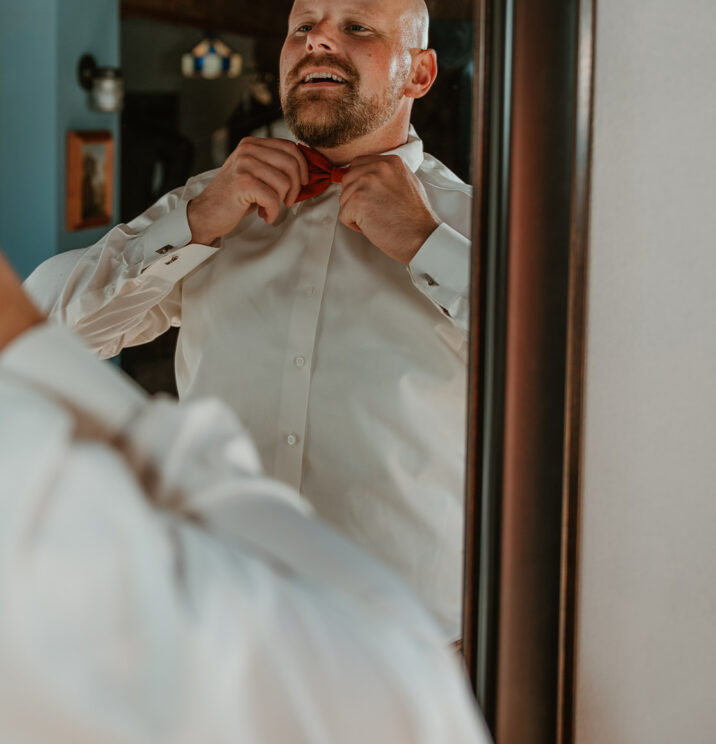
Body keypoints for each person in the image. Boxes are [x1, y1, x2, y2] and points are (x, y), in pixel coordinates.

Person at [26, 0, 472, 638]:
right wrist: (196, 220)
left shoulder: (483, 227)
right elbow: (52, 335)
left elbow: (570, 382)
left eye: (356, 26)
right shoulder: (213, 200)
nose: (319, 41)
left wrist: (425, 243)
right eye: (303, 27)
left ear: (419, 72)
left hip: (405, 637)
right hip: (219, 623)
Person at [0, 250, 489, 744]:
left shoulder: (482, 221)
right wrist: (187, 225)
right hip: (200, 643)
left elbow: (561, 368)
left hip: (429, 646)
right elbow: (47, 319)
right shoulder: (215, 212)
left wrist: (430, 246)